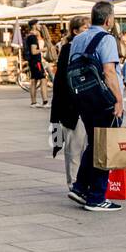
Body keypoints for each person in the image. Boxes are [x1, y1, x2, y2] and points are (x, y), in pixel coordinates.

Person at [67, 0, 125, 212]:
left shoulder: (78, 38)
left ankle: (80, 188)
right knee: (105, 146)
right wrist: (118, 99)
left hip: (84, 100)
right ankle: (96, 197)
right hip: (104, 101)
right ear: (109, 19)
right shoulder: (106, 38)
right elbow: (109, 72)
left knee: (94, 144)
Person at [50, 15, 89, 193]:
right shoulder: (68, 49)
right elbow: (61, 82)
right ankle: (73, 183)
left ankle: (83, 183)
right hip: (72, 108)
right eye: (84, 28)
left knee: (86, 148)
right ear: (75, 31)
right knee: (74, 148)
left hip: (87, 106)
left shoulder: (88, 48)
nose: (88, 31)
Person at [24, 19, 48, 108]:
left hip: (32, 61)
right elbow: (34, 51)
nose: (40, 26)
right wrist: (44, 49)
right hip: (36, 61)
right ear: (34, 25)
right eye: (38, 24)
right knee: (43, 79)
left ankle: (33, 103)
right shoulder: (33, 37)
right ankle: (45, 102)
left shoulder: (29, 36)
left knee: (33, 81)